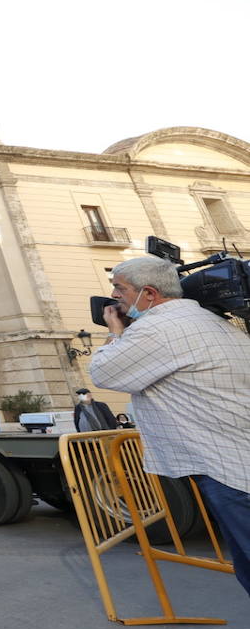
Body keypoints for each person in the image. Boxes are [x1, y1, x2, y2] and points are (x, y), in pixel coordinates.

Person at [89, 254, 250, 598]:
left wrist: (116, 330)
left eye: (119, 288)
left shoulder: (158, 327)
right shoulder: (210, 320)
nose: (115, 296)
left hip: (228, 468)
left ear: (148, 293)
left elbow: (105, 372)